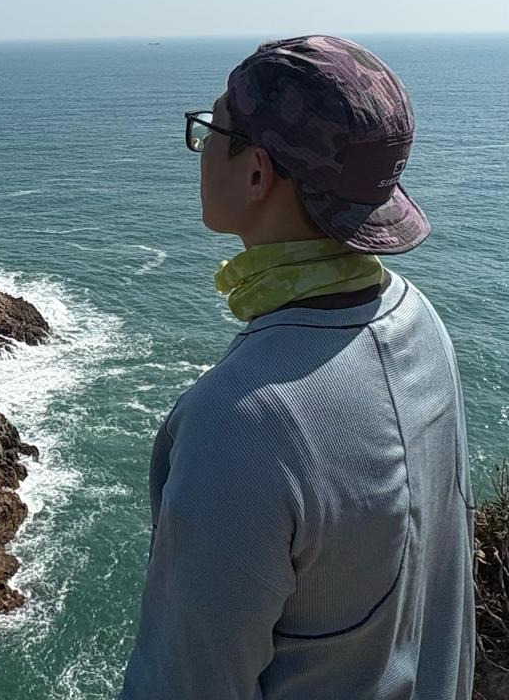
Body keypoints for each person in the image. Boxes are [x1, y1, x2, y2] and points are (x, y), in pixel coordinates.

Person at [117, 34, 475, 699]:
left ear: (257, 173)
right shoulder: (422, 323)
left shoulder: (243, 422)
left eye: (211, 129)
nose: (199, 151)